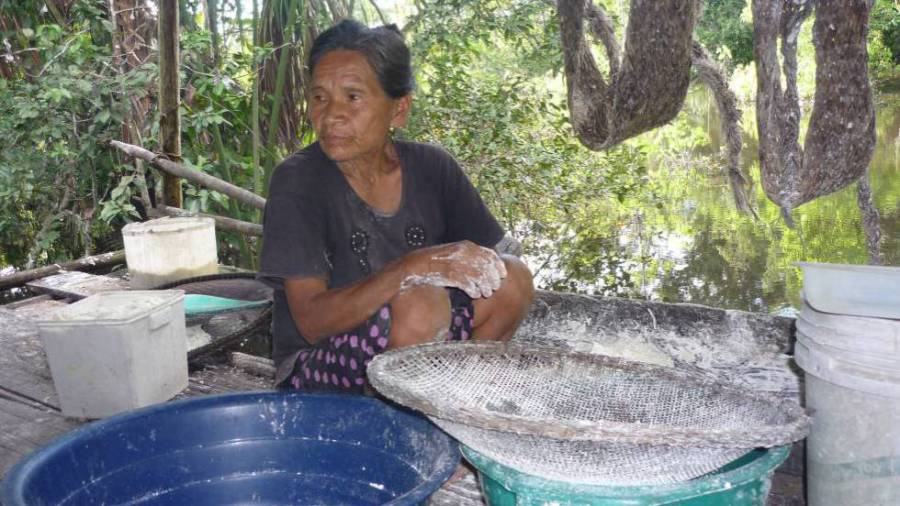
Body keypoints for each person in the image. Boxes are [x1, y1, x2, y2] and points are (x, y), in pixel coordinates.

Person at [258, 19, 534, 393]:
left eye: (352, 97)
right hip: (316, 366)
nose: (331, 114)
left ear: (398, 110)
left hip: (417, 337)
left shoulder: (432, 168)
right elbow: (311, 322)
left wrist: (464, 268)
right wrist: (413, 266)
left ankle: (459, 401)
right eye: (320, 97)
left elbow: (496, 262)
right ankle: (390, 431)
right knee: (420, 302)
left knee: (512, 279)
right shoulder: (298, 181)